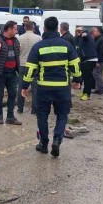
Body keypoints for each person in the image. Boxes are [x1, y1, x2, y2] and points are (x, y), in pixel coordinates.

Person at [21, 16, 82, 157]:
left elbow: (30, 69)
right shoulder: (66, 45)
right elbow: (75, 64)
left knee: (42, 115)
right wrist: (77, 79)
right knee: (62, 115)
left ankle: (43, 144)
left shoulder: (38, 46)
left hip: (43, 88)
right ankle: (57, 138)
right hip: (62, 88)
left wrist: (24, 86)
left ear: (44, 29)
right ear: (57, 28)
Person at [16, 21, 41, 114]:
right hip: (35, 65)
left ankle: (20, 107)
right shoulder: (38, 38)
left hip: (22, 64)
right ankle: (34, 109)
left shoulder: (19, 38)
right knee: (35, 88)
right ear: (33, 28)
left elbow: (17, 52)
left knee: (21, 87)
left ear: (25, 28)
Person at [74, 27, 97, 101]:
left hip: (89, 60)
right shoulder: (81, 39)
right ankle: (85, 92)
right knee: (85, 77)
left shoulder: (86, 35)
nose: (78, 32)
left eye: (79, 31)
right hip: (86, 60)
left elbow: (85, 35)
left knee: (87, 78)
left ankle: (87, 94)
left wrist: (83, 33)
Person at [91, 27, 103, 94]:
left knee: (95, 73)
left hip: (101, 60)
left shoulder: (102, 40)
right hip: (100, 59)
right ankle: (98, 89)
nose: (93, 32)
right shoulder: (97, 39)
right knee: (99, 73)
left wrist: (98, 61)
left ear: (99, 32)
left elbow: (102, 52)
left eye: (95, 31)